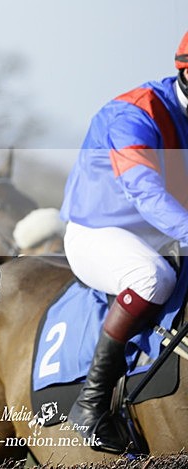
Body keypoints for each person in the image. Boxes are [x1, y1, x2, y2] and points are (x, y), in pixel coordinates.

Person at [60, 30, 188, 453]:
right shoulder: (134, 115)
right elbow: (145, 192)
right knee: (152, 278)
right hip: (98, 232)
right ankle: (90, 405)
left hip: (161, 231)